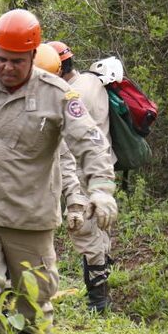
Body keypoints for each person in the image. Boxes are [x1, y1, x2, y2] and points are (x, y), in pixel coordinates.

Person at [0, 9, 117, 334]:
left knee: (33, 305)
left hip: (30, 217)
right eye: (1, 58)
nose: (7, 67)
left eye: (16, 61)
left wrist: (101, 188)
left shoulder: (57, 94)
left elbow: (90, 143)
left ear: (33, 55)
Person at [47, 40, 116, 312]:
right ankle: (103, 289)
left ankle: (99, 300)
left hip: (82, 174)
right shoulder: (93, 82)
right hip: (103, 171)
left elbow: (63, 147)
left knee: (85, 233)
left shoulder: (70, 94)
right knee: (101, 230)